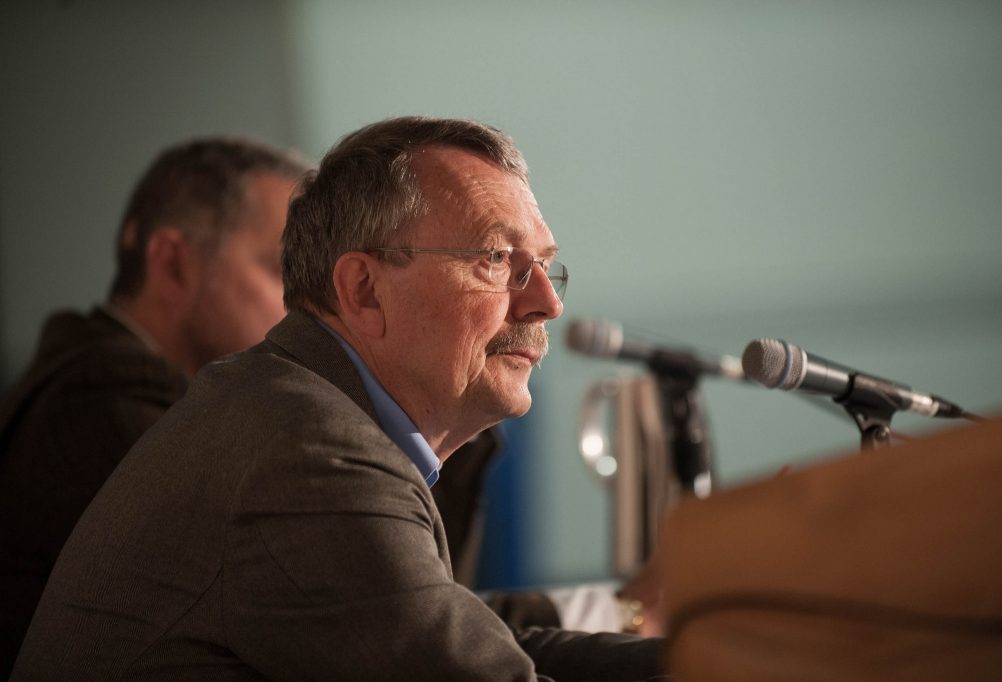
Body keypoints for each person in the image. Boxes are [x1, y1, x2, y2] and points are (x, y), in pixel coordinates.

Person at [12, 116, 664, 680]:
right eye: (496, 259)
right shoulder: (311, 453)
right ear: (364, 291)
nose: (545, 301)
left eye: (546, 267)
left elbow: (464, 638)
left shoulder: (298, 412)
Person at [0, 137, 309, 676]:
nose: (306, 305)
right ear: (172, 264)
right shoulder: (103, 407)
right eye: (282, 270)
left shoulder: (92, 382)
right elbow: (305, 615)